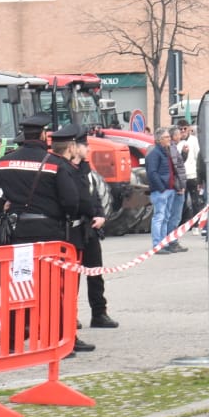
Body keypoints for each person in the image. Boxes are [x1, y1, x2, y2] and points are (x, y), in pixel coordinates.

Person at [0, 117, 95, 352]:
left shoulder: (6, 162)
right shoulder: (55, 163)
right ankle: (56, 340)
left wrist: (1, 203)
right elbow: (71, 201)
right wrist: (60, 213)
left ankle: (11, 340)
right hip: (49, 234)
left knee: (18, 287)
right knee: (52, 289)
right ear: (42, 135)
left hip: (18, 233)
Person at [69, 136, 117, 328]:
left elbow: (95, 196)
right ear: (74, 148)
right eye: (85, 146)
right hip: (73, 229)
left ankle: (99, 313)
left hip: (90, 229)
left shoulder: (87, 170)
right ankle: (70, 315)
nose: (88, 149)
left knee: (95, 272)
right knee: (72, 276)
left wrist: (100, 215)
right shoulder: (66, 170)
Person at [146, 127, 185, 254]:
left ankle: (163, 243)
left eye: (169, 137)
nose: (170, 139)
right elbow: (152, 173)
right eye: (167, 137)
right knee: (159, 217)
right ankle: (157, 244)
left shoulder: (166, 152)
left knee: (166, 217)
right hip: (161, 191)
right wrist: (161, 188)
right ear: (159, 140)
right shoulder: (154, 154)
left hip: (169, 190)